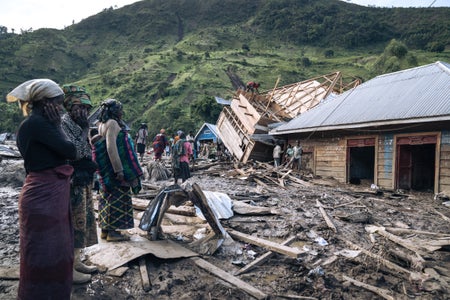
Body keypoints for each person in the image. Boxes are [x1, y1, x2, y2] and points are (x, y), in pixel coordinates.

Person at [7, 79, 77, 299]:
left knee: (48, 249)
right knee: (46, 251)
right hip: (43, 196)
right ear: (45, 102)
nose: (60, 108)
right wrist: (58, 125)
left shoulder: (33, 124)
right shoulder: (39, 124)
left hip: (43, 194)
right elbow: (70, 151)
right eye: (57, 103)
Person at [61, 85, 99, 284]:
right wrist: (85, 130)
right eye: (80, 108)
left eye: (86, 109)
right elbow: (75, 151)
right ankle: (69, 268)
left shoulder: (78, 124)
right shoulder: (64, 123)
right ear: (70, 107)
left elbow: (87, 151)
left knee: (83, 220)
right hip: (71, 181)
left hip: (83, 180)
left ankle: (77, 260)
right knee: (73, 223)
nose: (84, 112)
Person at [91, 99, 143, 242]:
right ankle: (113, 233)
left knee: (106, 197)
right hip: (113, 168)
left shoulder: (101, 124)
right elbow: (111, 147)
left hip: (105, 169)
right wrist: (119, 170)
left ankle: (105, 230)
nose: (122, 112)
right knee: (116, 198)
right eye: (120, 109)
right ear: (114, 111)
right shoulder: (112, 124)